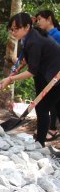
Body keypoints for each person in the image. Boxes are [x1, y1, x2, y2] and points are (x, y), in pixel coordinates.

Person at [0, 13, 60, 147]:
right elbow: (33, 61)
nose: (14, 32)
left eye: (16, 29)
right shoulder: (27, 38)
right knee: (53, 106)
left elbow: (31, 71)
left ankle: (39, 143)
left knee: (43, 108)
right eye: (12, 29)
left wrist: (10, 79)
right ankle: (40, 142)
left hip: (55, 76)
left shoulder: (34, 40)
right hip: (44, 74)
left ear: (27, 27)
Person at [36, 10, 60, 140]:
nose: (38, 22)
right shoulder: (42, 36)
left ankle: (42, 139)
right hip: (46, 76)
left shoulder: (57, 35)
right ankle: (45, 134)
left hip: (55, 78)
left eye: (40, 19)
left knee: (44, 107)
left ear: (49, 19)